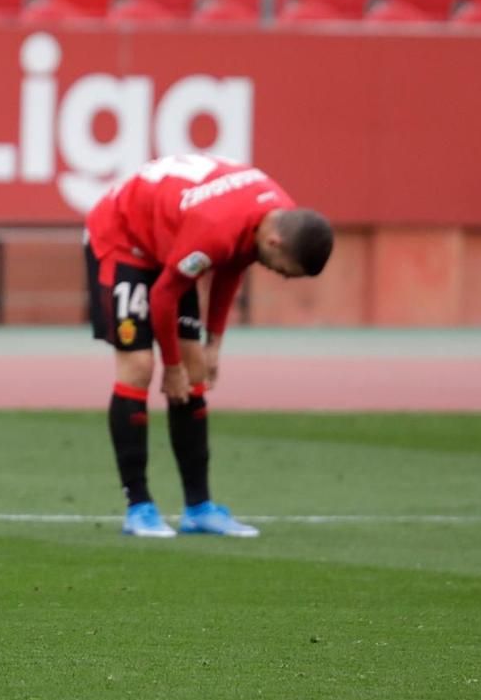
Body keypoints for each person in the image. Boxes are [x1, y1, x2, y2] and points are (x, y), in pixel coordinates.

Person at [84, 154, 332, 539]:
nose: (280, 276)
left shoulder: (273, 213)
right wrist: (171, 367)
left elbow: (233, 263)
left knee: (195, 365)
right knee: (139, 366)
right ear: (275, 241)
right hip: (123, 240)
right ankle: (139, 507)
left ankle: (198, 508)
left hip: (171, 246)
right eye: (284, 270)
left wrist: (214, 341)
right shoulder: (214, 227)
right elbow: (164, 296)